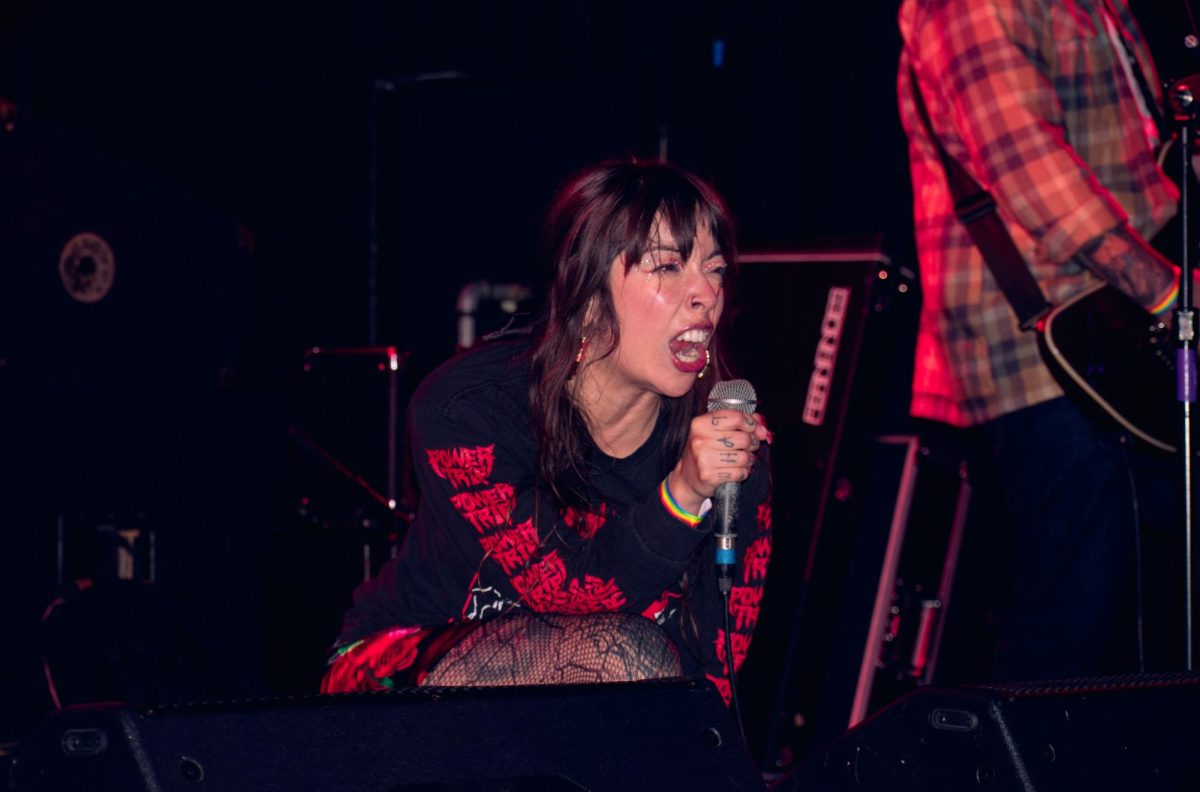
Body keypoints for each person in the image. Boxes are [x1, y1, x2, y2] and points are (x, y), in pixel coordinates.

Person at [321, 159, 773, 704]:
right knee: (618, 657)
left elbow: (717, 664)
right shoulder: (468, 410)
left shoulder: (723, 445)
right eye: (668, 266)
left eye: (716, 269)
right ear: (586, 295)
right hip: (397, 684)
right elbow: (569, 596)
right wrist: (680, 498)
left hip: (585, 715)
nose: (705, 293)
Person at [897, 0, 1183, 681]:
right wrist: (1169, 293)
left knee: (1138, 627)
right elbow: (1025, 161)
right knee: (1076, 629)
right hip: (1047, 347)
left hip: (1122, 334)